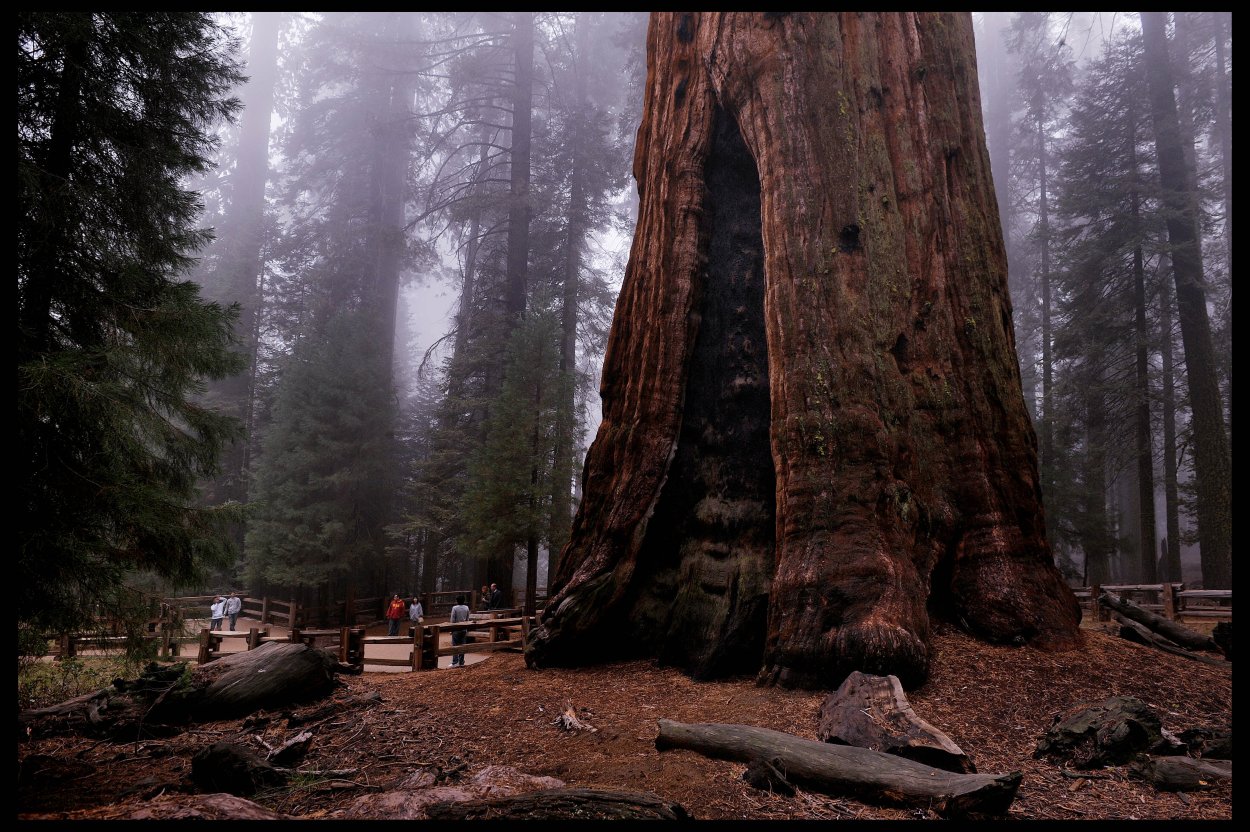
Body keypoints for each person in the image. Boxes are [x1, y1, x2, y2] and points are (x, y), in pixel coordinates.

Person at [449, 594, 470, 667]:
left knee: (455, 645)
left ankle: (455, 662)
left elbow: (452, 619)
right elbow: (467, 619)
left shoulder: (454, 608)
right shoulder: (466, 608)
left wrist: (451, 629)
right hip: (464, 629)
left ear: (457, 601)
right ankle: (461, 662)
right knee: (462, 645)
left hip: (456, 629)